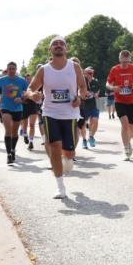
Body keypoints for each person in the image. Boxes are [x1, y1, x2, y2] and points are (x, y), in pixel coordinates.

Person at [27, 37, 87, 199]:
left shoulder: (74, 67)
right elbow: (30, 88)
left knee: (69, 152)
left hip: (70, 114)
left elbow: (82, 87)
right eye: (55, 44)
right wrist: (33, 95)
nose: (58, 46)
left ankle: (66, 157)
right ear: (50, 49)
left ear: (66, 49)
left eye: (61, 44)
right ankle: (60, 186)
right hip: (50, 112)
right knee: (54, 146)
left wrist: (80, 98)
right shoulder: (44, 70)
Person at [106, 50, 133, 159]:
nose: (125, 64)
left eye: (127, 62)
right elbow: (107, 84)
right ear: (120, 59)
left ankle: (128, 141)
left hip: (132, 101)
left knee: (132, 128)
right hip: (120, 101)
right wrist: (113, 88)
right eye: (123, 62)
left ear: (130, 60)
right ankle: (126, 147)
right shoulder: (115, 69)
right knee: (125, 124)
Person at [0, 61, 28, 165]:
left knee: (14, 132)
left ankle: (13, 149)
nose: (12, 70)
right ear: (7, 70)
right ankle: (8, 154)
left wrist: (21, 99)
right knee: (8, 130)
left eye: (13, 69)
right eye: (10, 69)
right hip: (5, 107)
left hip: (18, 108)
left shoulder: (22, 81)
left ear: (16, 70)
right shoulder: (1, 80)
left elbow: (28, 93)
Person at [79, 66, 101, 148]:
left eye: (91, 73)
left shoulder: (95, 82)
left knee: (95, 121)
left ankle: (91, 136)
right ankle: (84, 140)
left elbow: (97, 93)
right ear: (84, 73)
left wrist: (96, 95)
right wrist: (83, 94)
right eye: (87, 73)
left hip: (92, 106)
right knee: (83, 125)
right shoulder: (82, 81)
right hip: (83, 106)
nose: (89, 75)